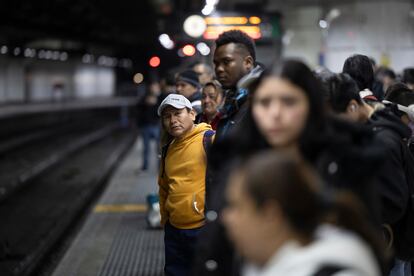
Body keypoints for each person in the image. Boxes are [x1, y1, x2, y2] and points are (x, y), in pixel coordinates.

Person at [193, 59, 385, 275]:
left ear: (311, 106)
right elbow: (215, 244)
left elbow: (367, 234)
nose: (275, 113)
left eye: (289, 102)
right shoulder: (238, 162)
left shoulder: (345, 160)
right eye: (264, 102)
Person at [222, 151, 386, 276]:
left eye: (236, 206)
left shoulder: (337, 271)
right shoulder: (257, 265)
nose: (226, 217)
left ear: (271, 214)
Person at [157, 94, 214, 276]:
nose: (173, 120)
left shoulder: (208, 140)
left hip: (202, 228)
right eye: (167, 116)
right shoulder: (168, 149)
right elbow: (164, 187)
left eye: (178, 113)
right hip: (174, 231)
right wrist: (165, 219)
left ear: (192, 114)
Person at [213, 29, 264, 139]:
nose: (219, 69)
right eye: (216, 64)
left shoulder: (264, 99)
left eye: (226, 62)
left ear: (248, 62)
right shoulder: (232, 99)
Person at [136, 88, 160, 171]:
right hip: (145, 126)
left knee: (158, 148)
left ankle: (160, 166)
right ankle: (145, 166)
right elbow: (138, 109)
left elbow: (160, 114)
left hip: (155, 126)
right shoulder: (143, 100)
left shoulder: (158, 100)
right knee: (146, 148)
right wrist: (146, 103)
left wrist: (154, 104)